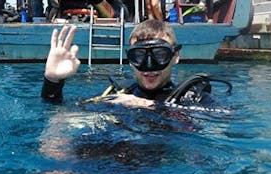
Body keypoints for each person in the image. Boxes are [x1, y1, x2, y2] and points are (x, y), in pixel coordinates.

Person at [42, 20, 185, 108]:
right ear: (130, 60)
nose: (149, 65)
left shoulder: (191, 97)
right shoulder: (118, 94)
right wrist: (52, 81)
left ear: (175, 56)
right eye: (139, 56)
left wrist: (149, 105)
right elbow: (58, 109)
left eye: (160, 55)